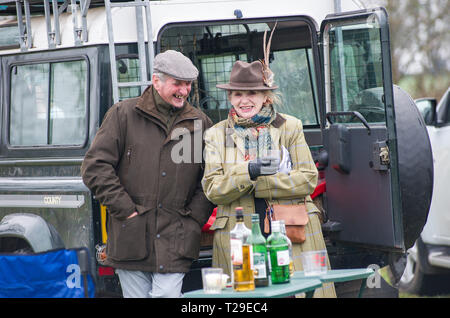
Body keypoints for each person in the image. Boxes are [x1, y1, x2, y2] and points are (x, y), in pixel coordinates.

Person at [81, 50, 214, 298]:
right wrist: (127, 211)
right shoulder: (122, 115)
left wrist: (194, 217)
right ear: (156, 81)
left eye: (187, 85)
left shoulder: (200, 123)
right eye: (177, 83)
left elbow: (211, 177)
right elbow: (94, 167)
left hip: (177, 239)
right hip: (130, 238)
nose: (184, 91)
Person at [201, 59, 336, 297]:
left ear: (265, 95)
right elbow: (213, 189)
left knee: (296, 292)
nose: (244, 100)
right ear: (230, 97)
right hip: (240, 233)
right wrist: (249, 171)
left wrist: (259, 182)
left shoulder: (289, 126)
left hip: (291, 232)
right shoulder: (216, 134)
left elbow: (307, 179)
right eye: (237, 94)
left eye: (252, 93)